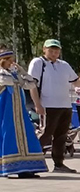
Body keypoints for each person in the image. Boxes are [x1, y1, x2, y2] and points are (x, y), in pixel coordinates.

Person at [28, 39, 80, 173]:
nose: (54, 53)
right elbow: (32, 85)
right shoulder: (38, 63)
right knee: (45, 134)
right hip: (48, 105)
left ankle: (59, 163)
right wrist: (37, 104)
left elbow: (76, 83)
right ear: (44, 49)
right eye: (51, 50)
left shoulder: (64, 65)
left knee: (61, 135)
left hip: (65, 105)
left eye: (56, 51)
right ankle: (31, 161)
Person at [0, 48, 46, 178]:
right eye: (9, 60)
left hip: (19, 113)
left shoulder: (14, 74)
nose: (12, 62)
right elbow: (6, 81)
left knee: (26, 136)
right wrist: (16, 75)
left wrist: (22, 72)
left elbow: (31, 84)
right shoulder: (3, 74)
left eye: (12, 60)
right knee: (9, 136)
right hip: (6, 112)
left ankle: (26, 167)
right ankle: (8, 167)